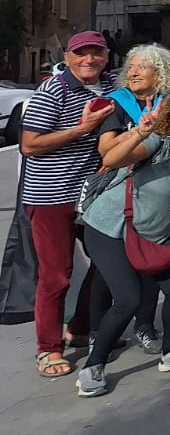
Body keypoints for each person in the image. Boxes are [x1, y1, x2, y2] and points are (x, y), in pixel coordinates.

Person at [74, 84, 170, 397]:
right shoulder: (159, 141)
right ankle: (93, 366)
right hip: (110, 228)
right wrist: (139, 133)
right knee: (128, 299)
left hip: (155, 234)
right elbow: (112, 159)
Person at [20, 31, 112, 379]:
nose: (89, 60)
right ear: (68, 58)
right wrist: (82, 129)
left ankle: (81, 327)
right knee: (56, 275)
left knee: (110, 263)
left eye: (96, 53)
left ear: (106, 56)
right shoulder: (53, 91)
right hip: (50, 197)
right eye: (81, 54)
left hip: (92, 195)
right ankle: (48, 348)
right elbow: (30, 145)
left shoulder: (110, 86)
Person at [96, 43, 170, 352]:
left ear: (159, 73)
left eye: (141, 67)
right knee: (110, 272)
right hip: (116, 197)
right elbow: (105, 149)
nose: (132, 73)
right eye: (130, 67)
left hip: (155, 199)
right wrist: (141, 130)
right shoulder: (116, 102)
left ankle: (145, 325)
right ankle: (98, 332)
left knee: (147, 264)